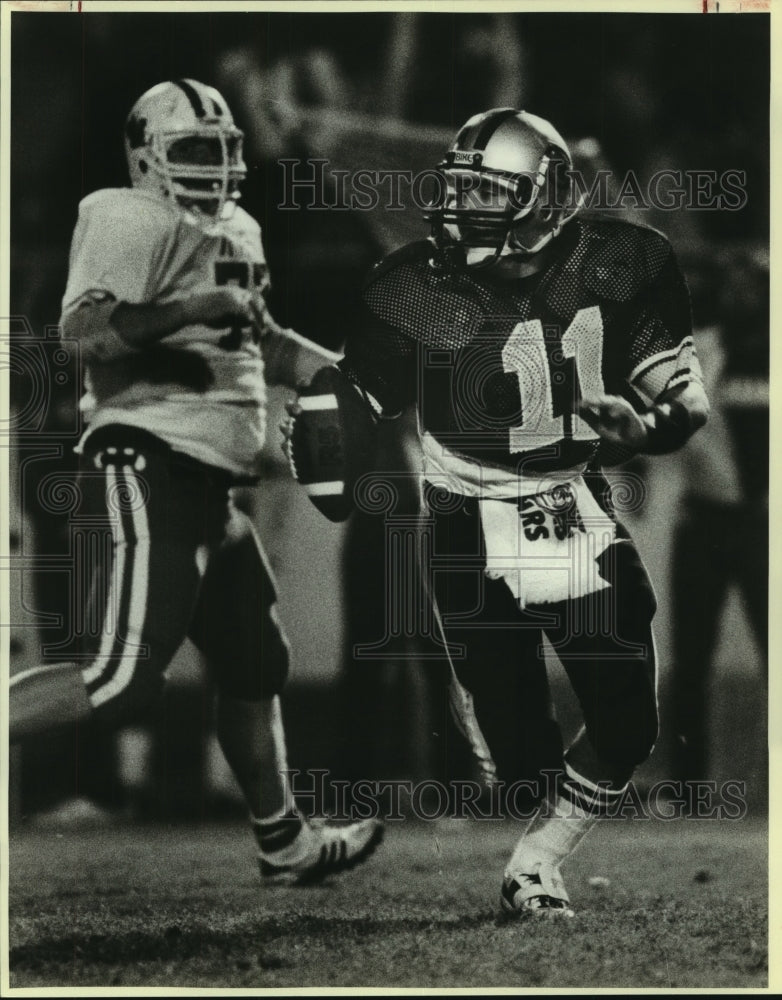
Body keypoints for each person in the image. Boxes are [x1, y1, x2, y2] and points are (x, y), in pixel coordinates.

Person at [286, 108, 709, 914]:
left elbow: (684, 395)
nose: (460, 207)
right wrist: (321, 424)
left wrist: (650, 428)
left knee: (627, 722)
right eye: (459, 188)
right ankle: (500, 745)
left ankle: (535, 867)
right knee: (522, 772)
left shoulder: (622, 261)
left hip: (569, 509)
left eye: (487, 192)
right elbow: (357, 396)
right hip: (464, 520)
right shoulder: (414, 283)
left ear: (547, 199)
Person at [9, 79, 382, 881]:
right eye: (193, 151)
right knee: (119, 677)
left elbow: (256, 340)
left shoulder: (239, 226)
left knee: (255, 666)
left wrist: (336, 371)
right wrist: (187, 310)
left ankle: (283, 842)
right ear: (146, 156)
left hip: (214, 486)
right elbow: (82, 332)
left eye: (224, 149)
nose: (214, 166)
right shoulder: (126, 214)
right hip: (148, 459)